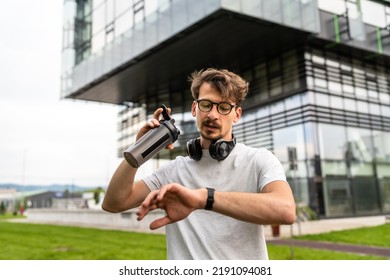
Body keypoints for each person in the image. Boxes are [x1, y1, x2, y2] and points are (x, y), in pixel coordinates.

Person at [102, 68, 296, 259]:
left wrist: (205, 199)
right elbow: (113, 203)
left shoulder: (258, 160)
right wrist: (137, 152)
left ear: (236, 114)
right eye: (206, 104)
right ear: (195, 108)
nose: (213, 114)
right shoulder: (173, 171)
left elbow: (286, 210)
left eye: (223, 107)